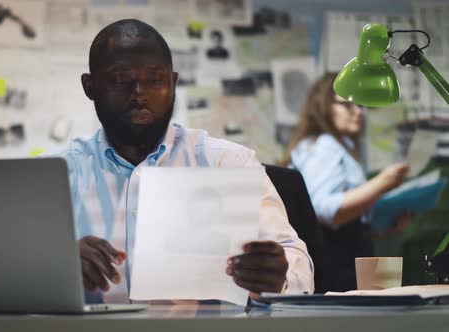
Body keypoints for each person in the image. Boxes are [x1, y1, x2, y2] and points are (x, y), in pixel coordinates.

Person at [53, 19, 313, 304]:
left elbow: (298, 263)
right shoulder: (55, 175)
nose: (139, 94)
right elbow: (8, 269)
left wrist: (280, 277)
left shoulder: (231, 163)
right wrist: (54, 263)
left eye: (155, 80)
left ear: (173, 83)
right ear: (90, 86)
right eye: (120, 80)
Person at [280, 73, 410, 292]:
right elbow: (324, 210)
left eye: (359, 105)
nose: (358, 111)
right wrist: (384, 182)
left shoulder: (337, 146)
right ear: (323, 107)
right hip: (334, 268)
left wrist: (384, 228)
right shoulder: (324, 146)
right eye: (347, 105)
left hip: (343, 260)